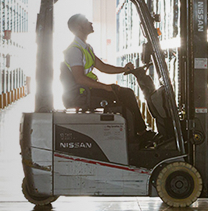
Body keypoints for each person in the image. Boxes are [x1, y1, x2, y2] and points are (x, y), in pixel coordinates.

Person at [62, 13, 155, 144]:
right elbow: (80, 79)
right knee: (125, 95)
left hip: (88, 90)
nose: (91, 23)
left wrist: (124, 69)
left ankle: (138, 133)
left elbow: (103, 67)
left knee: (126, 93)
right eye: (86, 21)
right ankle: (140, 134)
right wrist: (104, 87)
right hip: (83, 93)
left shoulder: (86, 48)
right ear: (79, 27)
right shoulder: (74, 51)